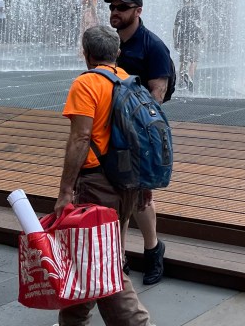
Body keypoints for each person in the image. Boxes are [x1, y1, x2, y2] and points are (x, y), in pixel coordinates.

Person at [55, 25, 151, 326]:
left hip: (98, 185)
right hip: (128, 183)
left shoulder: (86, 84)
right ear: (117, 53)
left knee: (101, 261)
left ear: (86, 54)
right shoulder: (130, 81)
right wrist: (145, 184)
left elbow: (81, 138)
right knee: (89, 254)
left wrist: (65, 191)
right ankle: (72, 320)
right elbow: (144, 138)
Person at [105, 0, 174, 285]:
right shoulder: (110, 44)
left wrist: (140, 137)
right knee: (119, 195)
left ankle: (153, 250)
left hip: (140, 134)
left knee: (140, 196)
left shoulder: (152, 46)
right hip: (110, 130)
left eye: (122, 7)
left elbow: (156, 96)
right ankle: (119, 258)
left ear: (138, 11)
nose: (115, 12)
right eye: (112, 7)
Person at [172, 0, 202, 92]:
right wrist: (202, 36)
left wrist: (175, 41)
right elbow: (198, 25)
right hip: (194, 39)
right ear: (193, 0)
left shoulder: (180, 11)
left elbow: (176, 28)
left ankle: (181, 81)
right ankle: (189, 78)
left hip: (182, 39)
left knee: (183, 61)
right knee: (194, 60)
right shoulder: (196, 11)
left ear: (184, 1)